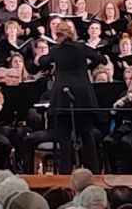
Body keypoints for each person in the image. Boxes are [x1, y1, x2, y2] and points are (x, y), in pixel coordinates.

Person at [37, 23, 106, 174]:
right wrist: (86, 68)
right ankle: (93, 172)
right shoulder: (81, 47)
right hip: (83, 94)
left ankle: (65, 173)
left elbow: (42, 63)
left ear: (57, 35)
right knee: (87, 134)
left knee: (64, 137)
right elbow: (102, 59)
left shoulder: (56, 50)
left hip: (62, 95)